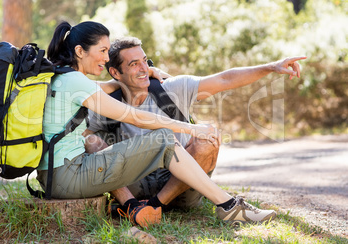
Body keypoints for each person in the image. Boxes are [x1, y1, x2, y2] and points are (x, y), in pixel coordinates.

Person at [84, 36, 305, 222]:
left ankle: (156, 205)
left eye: (144, 61)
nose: (144, 69)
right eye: (134, 65)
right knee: (89, 140)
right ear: (115, 72)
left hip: (181, 185)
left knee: (207, 137)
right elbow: (83, 135)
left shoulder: (170, 89)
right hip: (135, 185)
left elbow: (225, 79)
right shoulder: (106, 102)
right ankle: (132, 207)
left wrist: (271, 67)